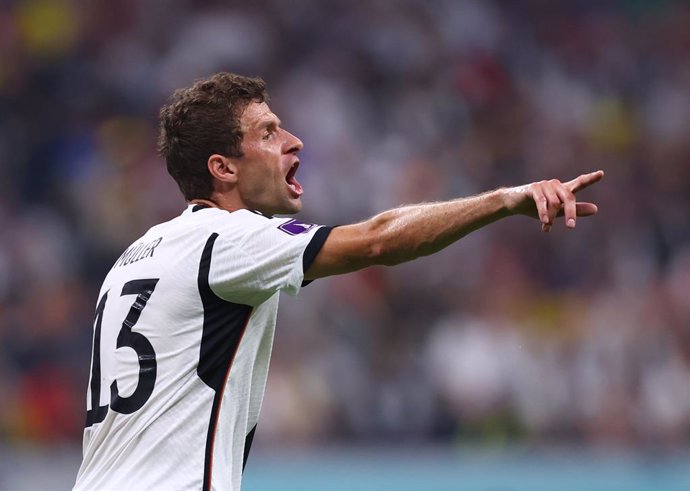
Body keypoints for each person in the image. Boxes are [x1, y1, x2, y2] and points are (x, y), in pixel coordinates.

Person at [73, 72, 604, 491]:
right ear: (223, 169)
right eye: (267, 133)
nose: (293, 140)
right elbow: (378, 241)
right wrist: (503, 200)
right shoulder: (229, 238)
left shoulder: (135, 256)